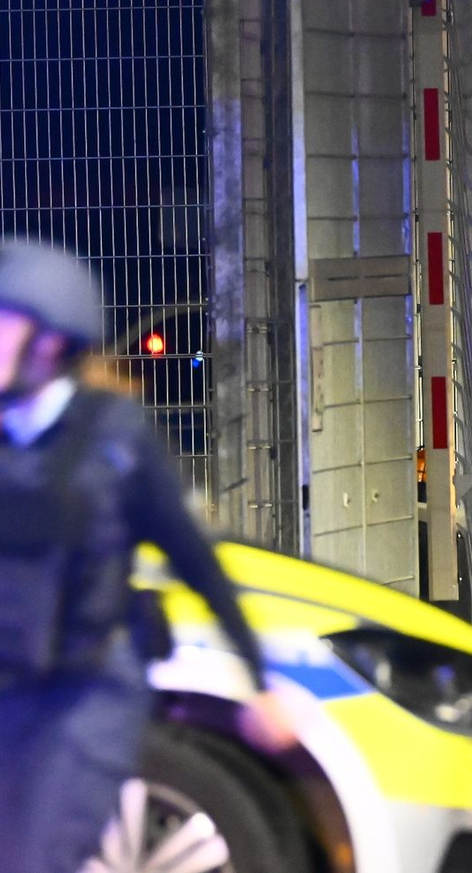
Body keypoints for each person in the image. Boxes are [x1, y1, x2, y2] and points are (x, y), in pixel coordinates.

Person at [0, 239, 296, 873]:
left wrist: (259, 683)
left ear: (51, 340)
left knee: (33, 855)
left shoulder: (113, 438)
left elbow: (196, 561)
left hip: (88, 698)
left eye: (5, 321)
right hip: (14, 692)